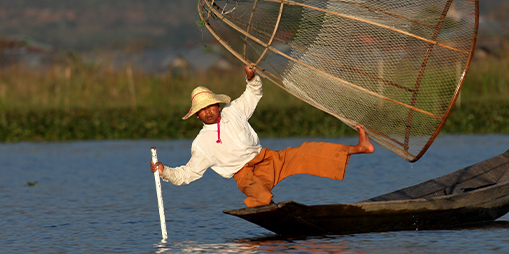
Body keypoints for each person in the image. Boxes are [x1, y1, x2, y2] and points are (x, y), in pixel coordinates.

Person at [150, 64, 375, 208]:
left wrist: (251, 77)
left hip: (268, 158)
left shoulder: (234, 111)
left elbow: (254, 92)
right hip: (245, 174)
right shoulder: (201, 144)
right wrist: (164, 171)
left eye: (211, 106)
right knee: (262, 197)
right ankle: (272, 212)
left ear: (218, 106)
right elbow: (188, 173)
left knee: (307, 150)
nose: (208, 111)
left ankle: (360, 148)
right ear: (197, 116)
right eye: (203, 109)